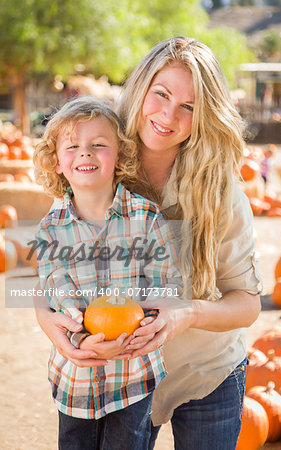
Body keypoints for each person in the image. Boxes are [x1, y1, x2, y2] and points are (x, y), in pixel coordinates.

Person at [34, 37, 262, 450]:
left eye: (188, 106)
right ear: (141, 87)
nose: (168, 114)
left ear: (203, 115)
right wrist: (47, 321)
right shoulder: (94, 159)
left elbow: (247, 303)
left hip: (205, 370)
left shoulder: (220, 190)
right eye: (161, 93)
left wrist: (186, 314)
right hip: (122, 376)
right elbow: (55, 269)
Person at [33, 96, 182, 450]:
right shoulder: (50, 230)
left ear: (120, 157)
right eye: (73, 146)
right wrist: (81, 337)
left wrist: (148, 322)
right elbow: (57, 290)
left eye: (98, 145)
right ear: (57, 162)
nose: (85, 153)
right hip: (77, 375)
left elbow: (166, 282)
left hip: (134, 372)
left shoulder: (146, 217)